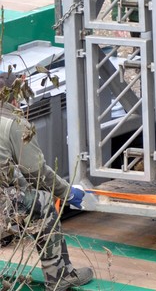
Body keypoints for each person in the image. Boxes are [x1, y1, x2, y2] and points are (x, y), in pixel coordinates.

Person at [0, 72, 94, 291]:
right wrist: (68, 193)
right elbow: (37, 172)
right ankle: (60, 275)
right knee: (41, 202)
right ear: (15, 98)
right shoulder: (13, 124)